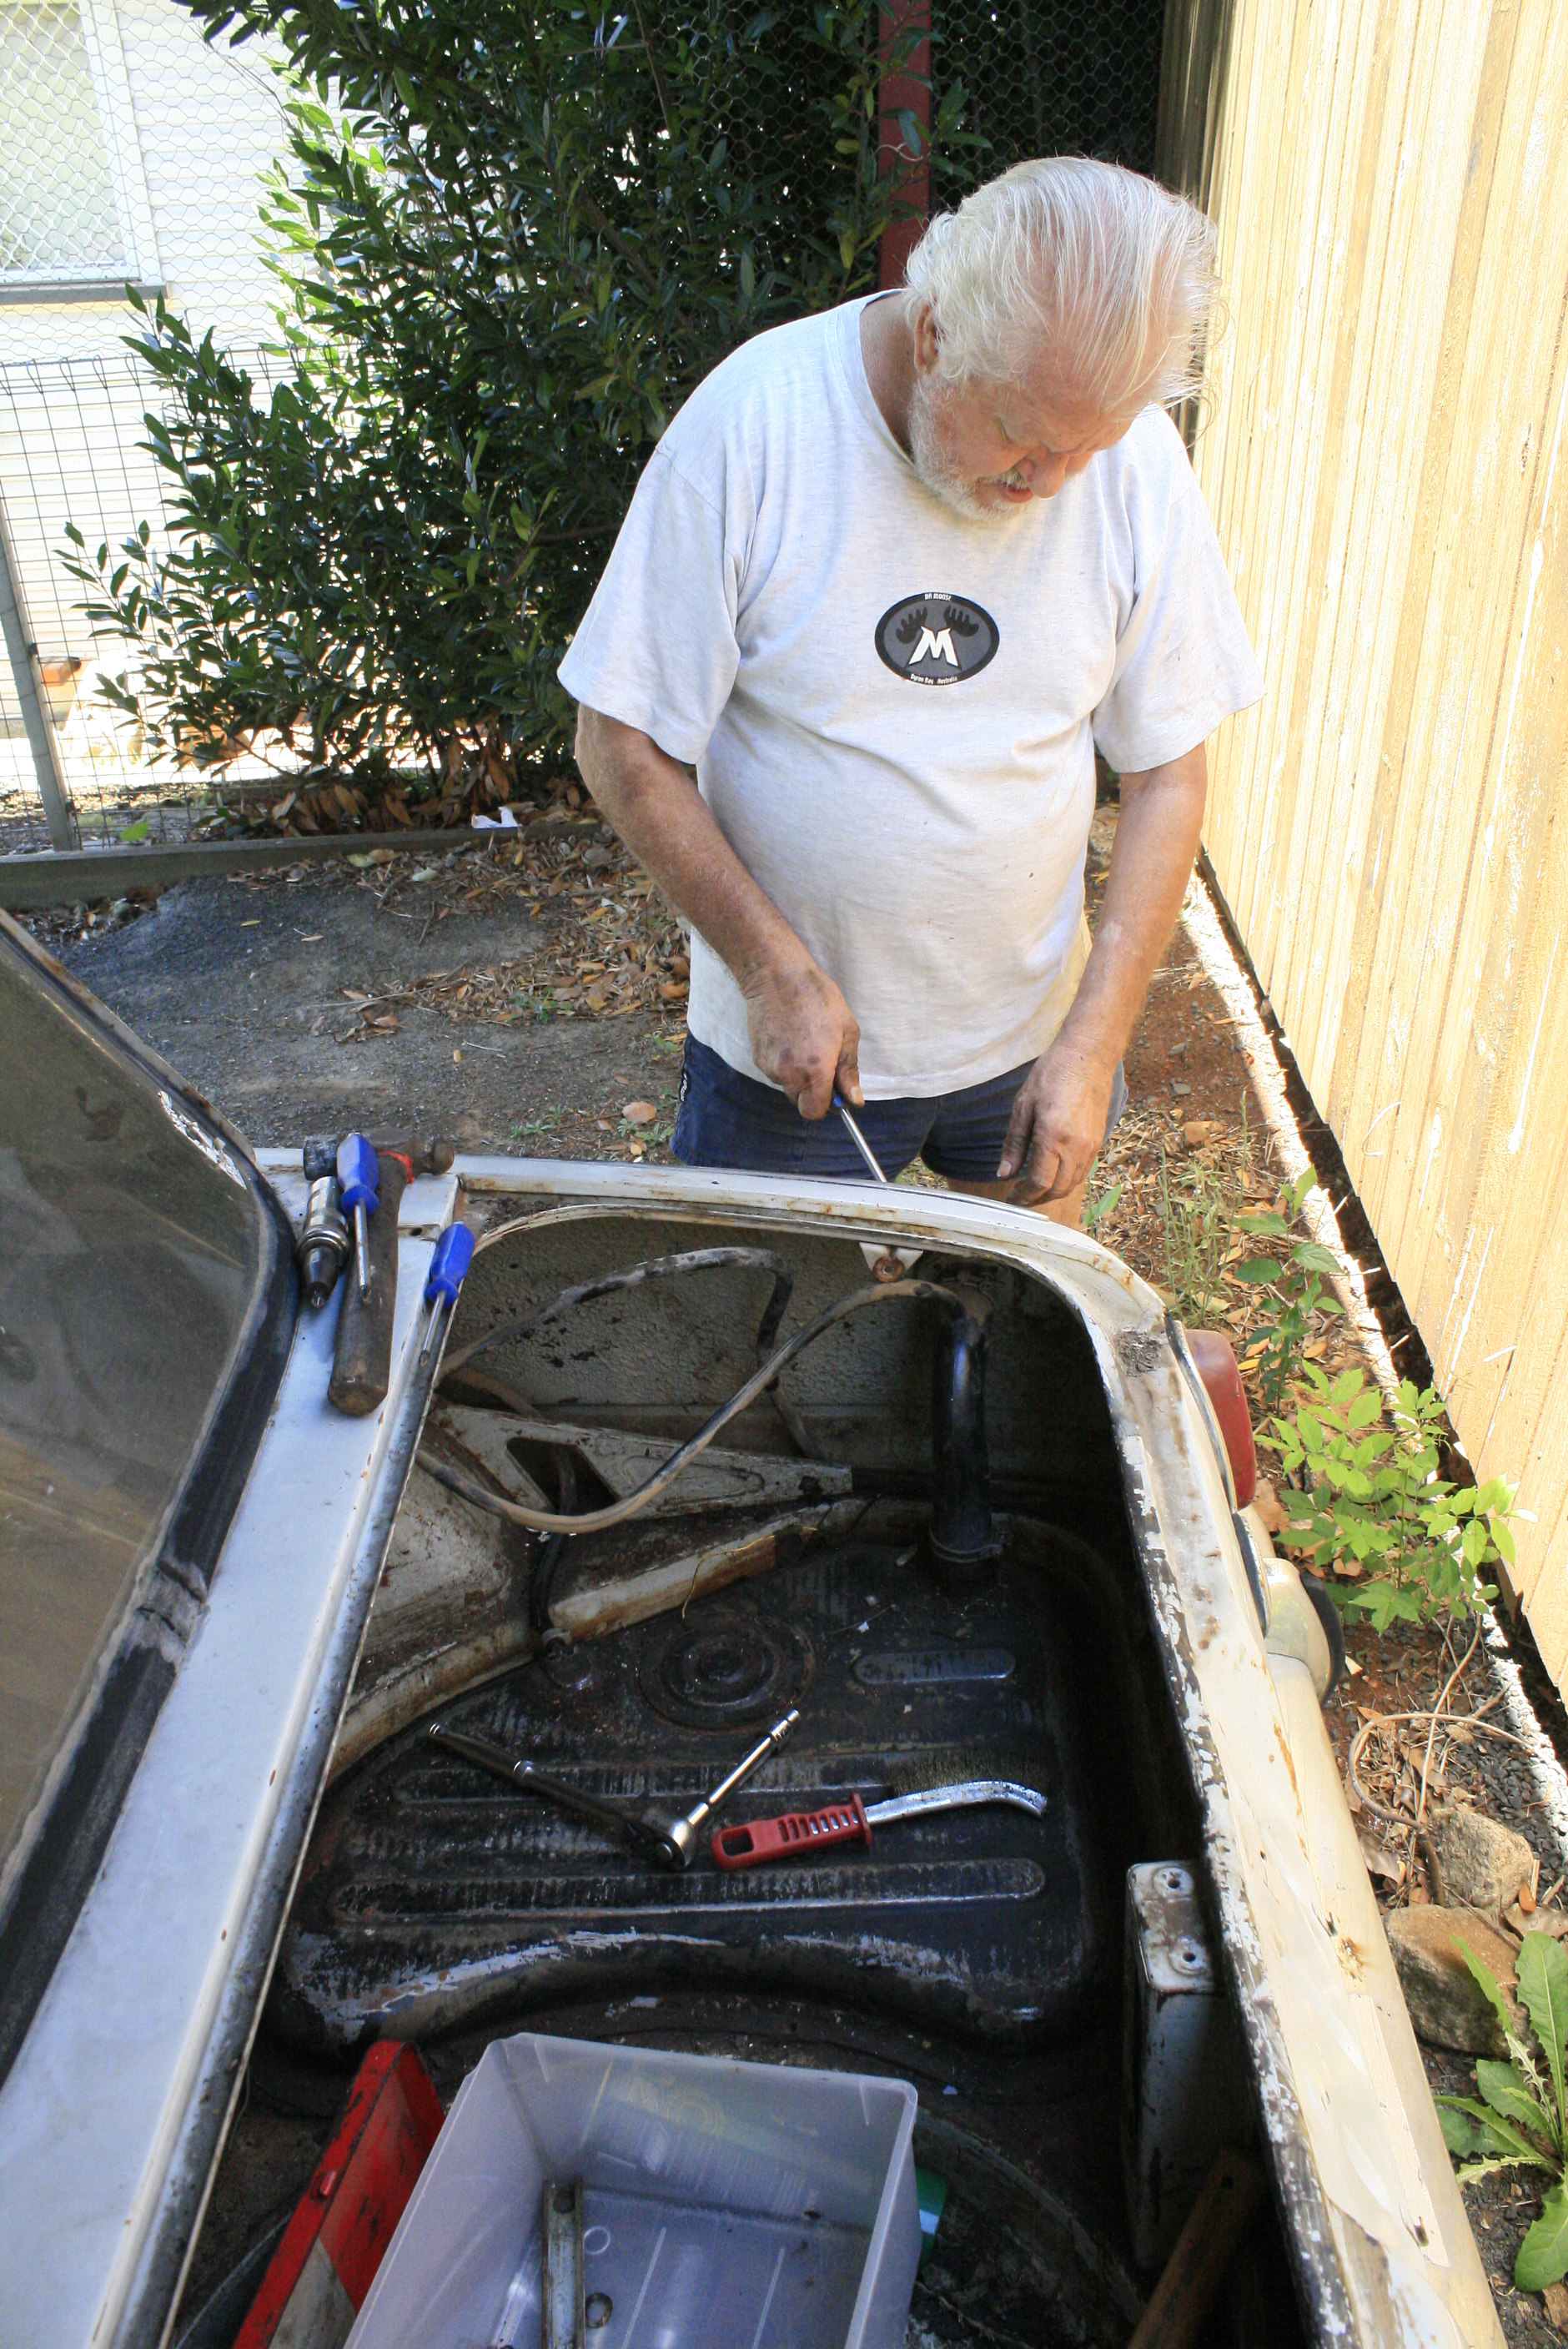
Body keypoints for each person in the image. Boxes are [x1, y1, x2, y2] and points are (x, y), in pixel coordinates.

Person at [561, 157, 1262, 1222]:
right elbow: (619, 740)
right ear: (934, 337)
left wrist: (1091, 1040)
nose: (1049, 482)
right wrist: (768, 970)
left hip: (1028, 1048)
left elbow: (1167, 774)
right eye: (1023, 440)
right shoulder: (756, 424)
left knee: (1018, 1347)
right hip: (797, 1061)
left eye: (1087, 449)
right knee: (775, 1354)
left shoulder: (1129, 461)